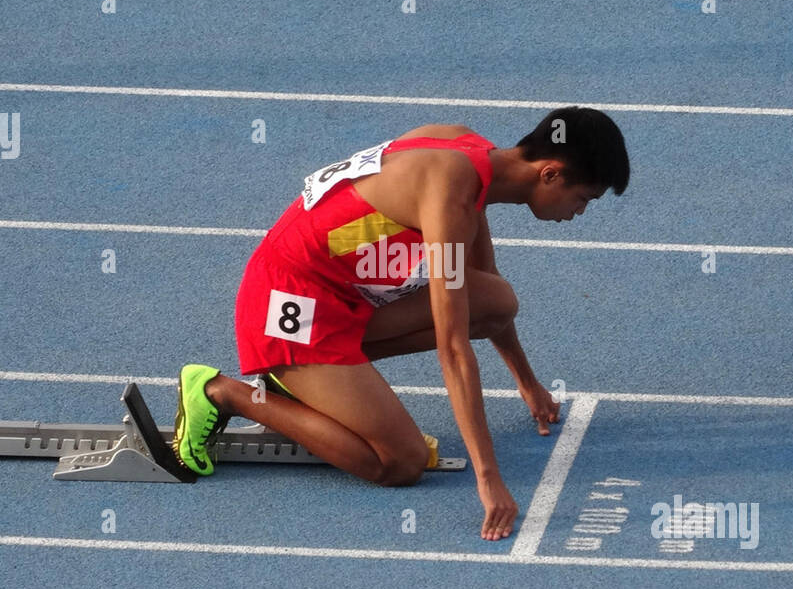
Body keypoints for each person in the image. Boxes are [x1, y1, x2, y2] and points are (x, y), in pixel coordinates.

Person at [173, 106, 629, 540]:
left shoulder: (469, 152)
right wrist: (488, 477)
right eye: (583, 198)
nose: (580, 212)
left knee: (496, 301)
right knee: (400, 463)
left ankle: (312, 385)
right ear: (550, 173)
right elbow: (453, 349)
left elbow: (483, 290)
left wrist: (527, 383)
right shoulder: (451, 198)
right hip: (286, 308)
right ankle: (225, 392)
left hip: (341, 295)